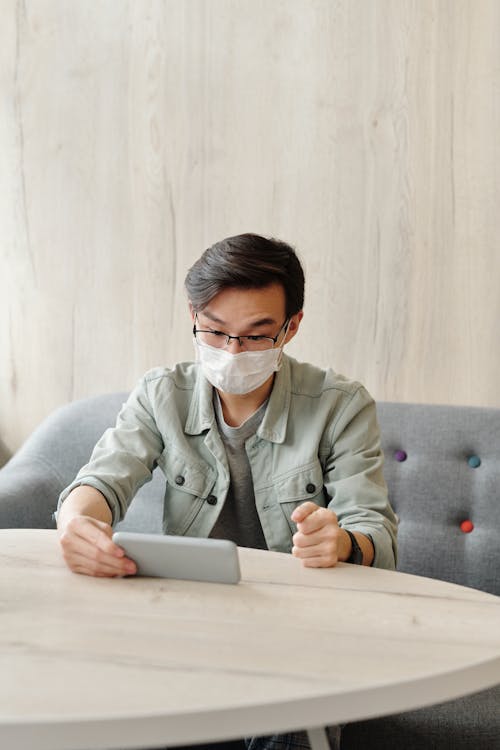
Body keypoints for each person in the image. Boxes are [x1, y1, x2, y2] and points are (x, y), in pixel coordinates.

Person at [56, 233, 398, 750]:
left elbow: (374, 530)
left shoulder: (340, 405)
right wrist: (77, 522)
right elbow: (105, 478)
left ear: (292, 326)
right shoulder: (161, 394)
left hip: (302, 632)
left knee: (287, 720)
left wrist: (342, 543)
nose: (233, 352)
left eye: (257, 335)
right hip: (190, 622)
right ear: (193, 316)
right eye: (215, 332)